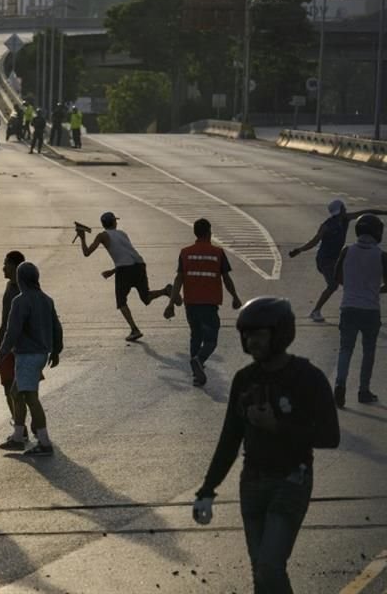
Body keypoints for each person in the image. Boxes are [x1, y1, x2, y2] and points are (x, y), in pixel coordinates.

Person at [192, 297, 339, 594]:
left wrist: (278, 427)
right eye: (246, 334)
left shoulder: (307, 378)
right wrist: (207, 490)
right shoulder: (244, 380)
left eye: (258, 334)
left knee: (270, 567)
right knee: (260, 570)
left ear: (280, 334)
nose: (251, 341)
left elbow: (330, 436)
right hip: (252, 482)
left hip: (291, 481)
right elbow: (230, 438)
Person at [0, 262, 62, 457]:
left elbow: (12, 332)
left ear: (21, 279)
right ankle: (17, 437)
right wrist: (56, 350)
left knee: (31, 398)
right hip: (41, 354)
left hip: (27, 355)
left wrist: (0, 356)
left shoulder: (20, 301)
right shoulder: (46, 299)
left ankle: (44, 441)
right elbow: (57, 326)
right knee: (16, 393)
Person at [163, 219, 243, 387]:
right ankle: (199, 360)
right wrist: (235, 297)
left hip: (191, 303)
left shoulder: (185, 253)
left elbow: (179, 279)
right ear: (209, 232)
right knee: (211, 340)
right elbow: (226, 278)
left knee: (195, 336)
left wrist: (171, 303)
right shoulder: (217, 253)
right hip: (209, 303)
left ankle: (196, 374)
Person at [77, 212, 172, 342]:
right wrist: (113, 270)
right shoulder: (122, 234)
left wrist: (82, 237)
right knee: (146, 298)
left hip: (124, 270)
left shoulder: (102, 236)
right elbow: (127, 255)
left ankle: (134, 329)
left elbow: (87, 253)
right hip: (139, 265)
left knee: (121, 302)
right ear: (114, 222)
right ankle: (166, 291)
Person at [288, 200, 387, 322]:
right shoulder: (327, 226)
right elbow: (314, 241)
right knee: (333, 285)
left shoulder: (345, 219)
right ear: (339, 210)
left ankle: (352, 309)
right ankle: (316, 311)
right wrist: (299, 250)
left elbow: (366, 212)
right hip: (325, 260)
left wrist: (384, 212)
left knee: (351, 283)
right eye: (343, 208)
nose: (346, 210)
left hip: (336, 259)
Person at [332, 214, 386, 407]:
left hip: (348, 306)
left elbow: (337, 277)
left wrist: (352, 286)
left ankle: (340, 384)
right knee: (368, 351)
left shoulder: (347, 251)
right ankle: (363, 391)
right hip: (370, 309)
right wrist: (373, 289)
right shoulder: (381, 255)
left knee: (346, 349)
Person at [0, 250, 27, 425]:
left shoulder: (25, 291)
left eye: (6, 264)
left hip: (22, 348)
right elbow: (4, 321)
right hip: (6, 346)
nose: (3, 268)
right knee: (8, 388)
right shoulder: (9, 287)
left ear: (14, 267)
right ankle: (18, 425)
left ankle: (23, 428)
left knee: (22, 391)